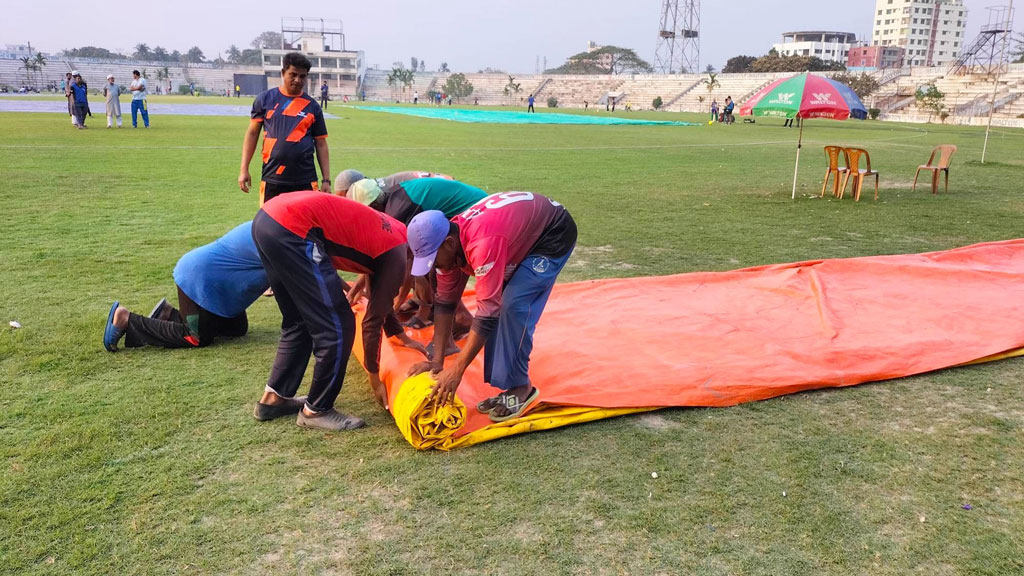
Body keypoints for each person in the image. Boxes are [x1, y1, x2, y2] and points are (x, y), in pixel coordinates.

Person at [250, 191, 424, 431]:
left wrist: (399, 335)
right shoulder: (397, 256)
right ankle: (316, 410)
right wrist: (374, 377)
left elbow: (379, 300)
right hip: (294, 228)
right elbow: (372, 320)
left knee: (298, 320)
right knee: (338, 326)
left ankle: (273, 400)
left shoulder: (395, 234)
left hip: (269, 218)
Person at [406, 191, 577, 422]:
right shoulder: (450, 247)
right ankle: (511, 384)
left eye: (433, 259)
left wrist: (456, 370)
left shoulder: (482, 242)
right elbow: (445, 304)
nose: (433, 266)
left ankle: (521, 387)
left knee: (514, 305)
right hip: (516, 232)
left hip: (553, 232)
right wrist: (437, 360)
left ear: (448, 243)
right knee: (499, 303)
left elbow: (488, 312)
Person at [348, 177, 484, 337]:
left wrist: (394, 309)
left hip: (476, 212)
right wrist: (354, 291)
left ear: (373, 206)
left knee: (432, 261)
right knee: (425, 258)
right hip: (467, 209)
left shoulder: (396, 211)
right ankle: (435, 310)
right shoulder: (392, 200)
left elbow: (402, 263)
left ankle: (458, 317)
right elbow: (379, 257)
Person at [102, 221, 268, 352]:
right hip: (198, 276)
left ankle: (169, 315)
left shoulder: (273, 227)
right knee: (195, 337)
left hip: (219, 286)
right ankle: (127, 319)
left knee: (236, 329)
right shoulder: (274, 237)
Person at [239, 52, 330, 206]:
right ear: (283, 73)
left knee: (307, 226)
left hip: (305, 179)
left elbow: (321, 144)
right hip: (273, 178)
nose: (297, 80)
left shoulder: (313, 106)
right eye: (293, 75)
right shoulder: (265, 99)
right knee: (270, 226)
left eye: (302, 76)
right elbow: (252, 133)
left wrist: (326, 179)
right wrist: (244, 169)